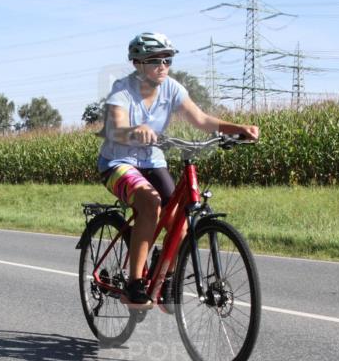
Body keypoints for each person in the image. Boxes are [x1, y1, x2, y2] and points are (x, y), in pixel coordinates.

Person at [99, 32, 259, 309]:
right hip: (118, 163)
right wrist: (134, 131)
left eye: (167, 59)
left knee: (180, 216)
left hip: (153, 160)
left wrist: (238, 129)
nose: (163, 66)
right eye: (154, 60)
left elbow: (201, 120)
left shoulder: (171, 88)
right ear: (137, 63)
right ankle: (135, 284)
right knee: (150, 203)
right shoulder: (122, 91)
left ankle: (166, 278)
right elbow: (117, 127)